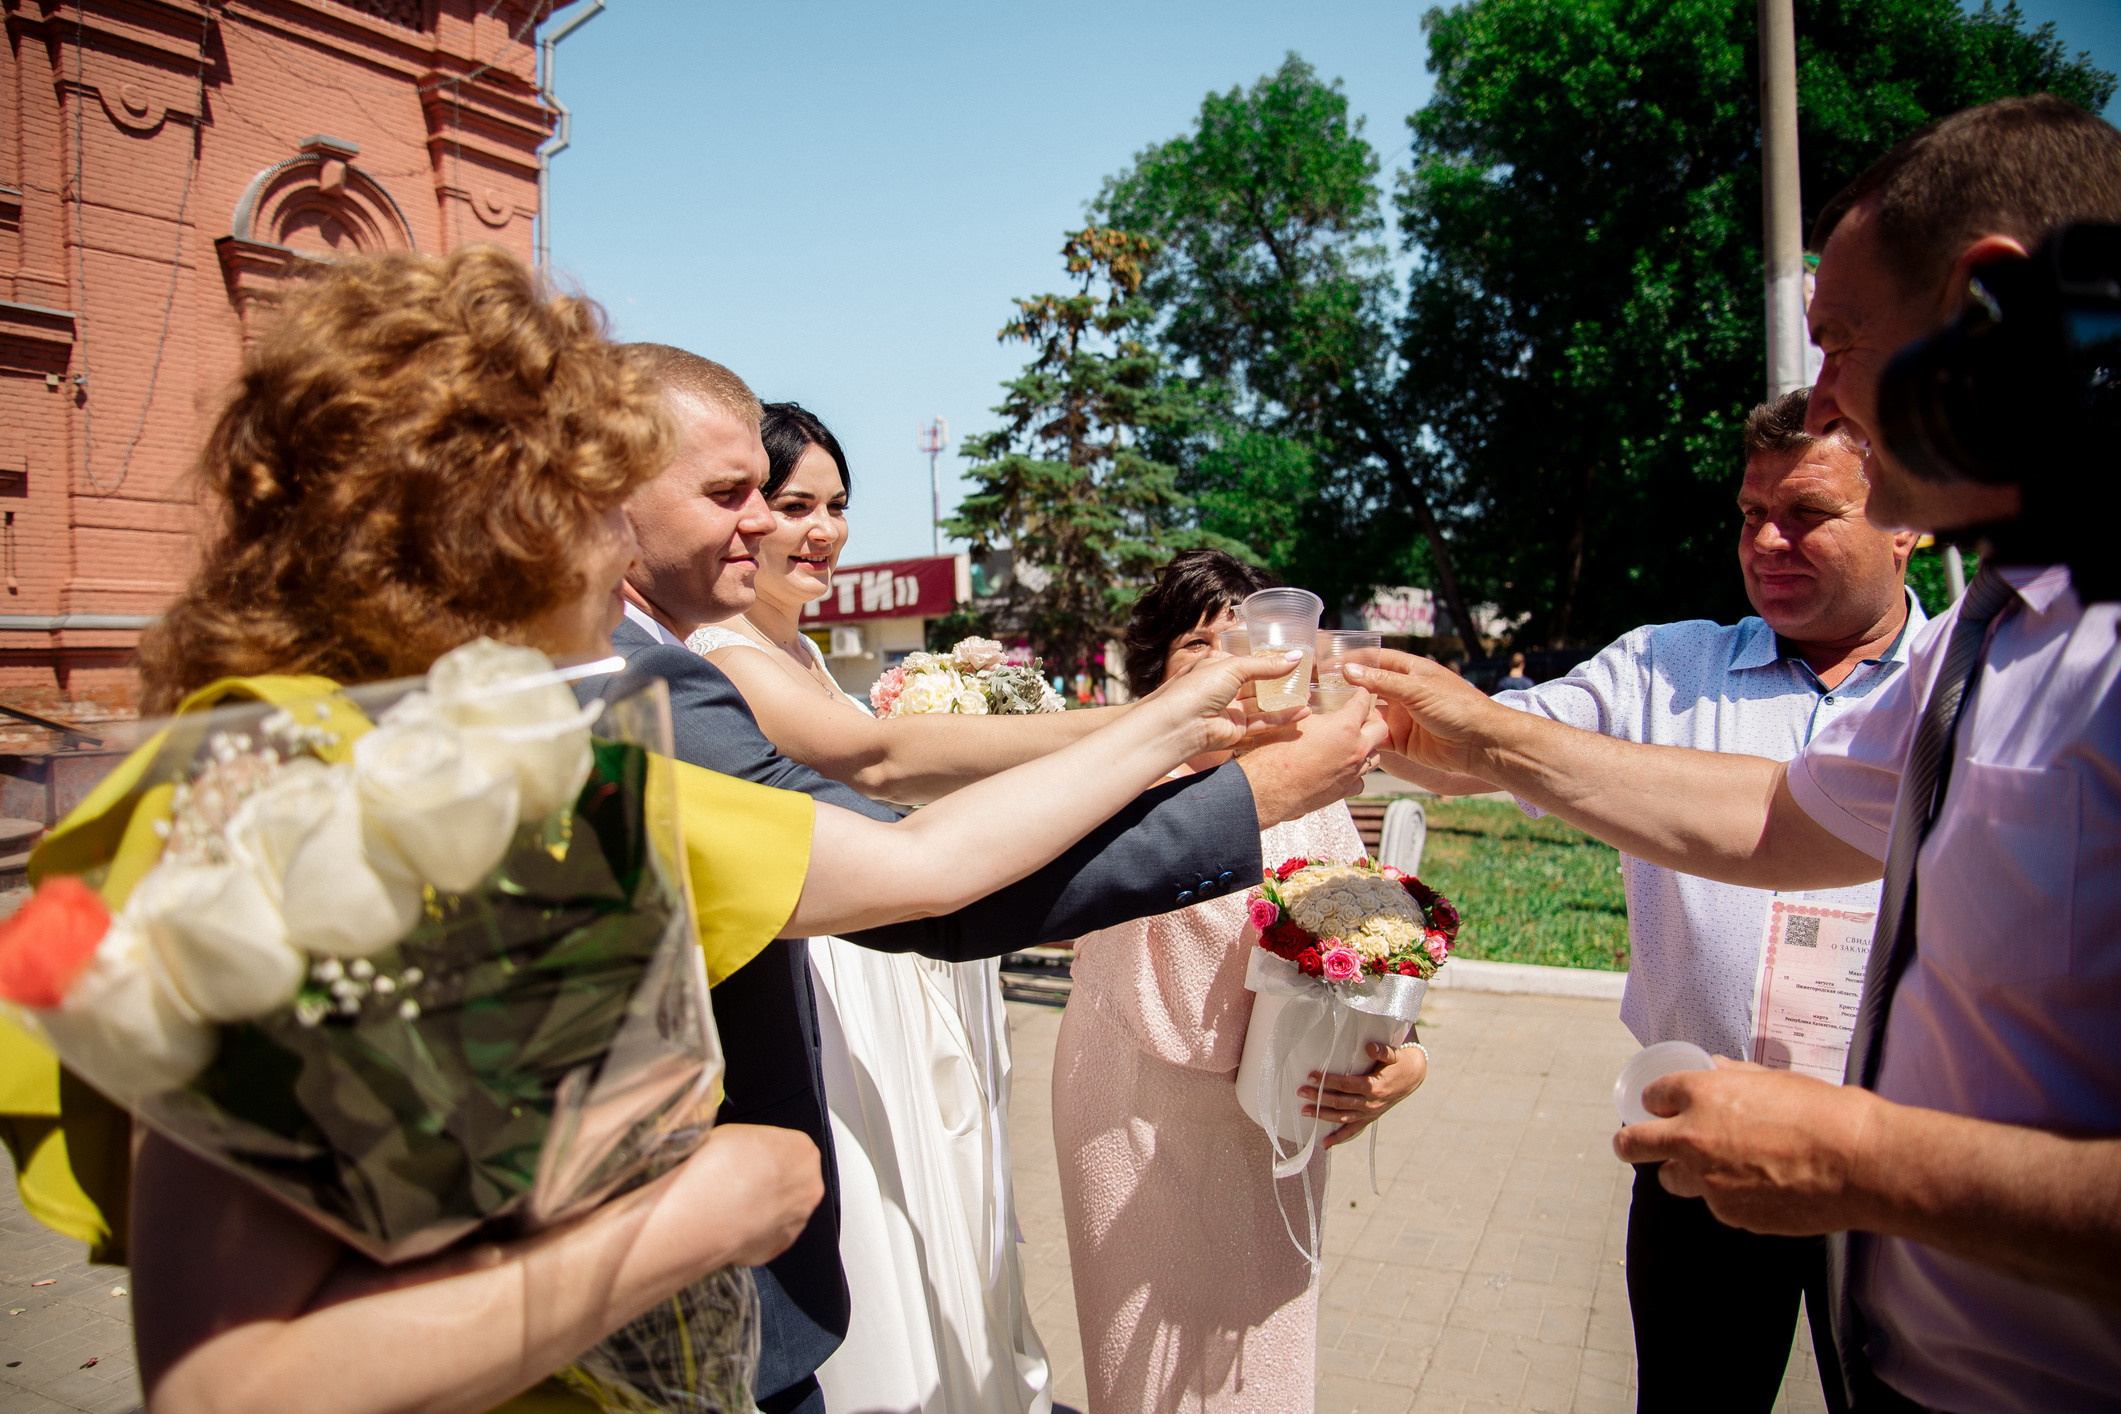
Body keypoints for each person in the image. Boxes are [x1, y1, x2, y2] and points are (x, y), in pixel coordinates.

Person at [15, 247, 1332, 1414]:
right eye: (598, 504)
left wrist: (1194, 714)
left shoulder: (493, 761)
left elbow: (922, 866)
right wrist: (690, 1216)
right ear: (507, 528)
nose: (620, 553)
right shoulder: (293, 815)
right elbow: (227, 1380)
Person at [1344, 96, 2121, 1412]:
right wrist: (1480, 732)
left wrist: (1872, 1157)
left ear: (1990, 308)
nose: (1822, 394)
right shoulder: (2004, 624)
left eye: (1842, 343)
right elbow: (1773, 817)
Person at [593, 343, 1389, 1414]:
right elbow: (919, 864)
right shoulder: (641, 687)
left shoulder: (661, 664)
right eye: (735, 494)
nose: (775, 525)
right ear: (597, 493)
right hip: (695, 1244)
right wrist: (1235, 772)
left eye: (796, 498)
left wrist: (1192, 725)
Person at [1399, 387, 1922, 1412]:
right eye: (1748, 512)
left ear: (1907, 520)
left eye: (1807, 513)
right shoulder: (1663, 668)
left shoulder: (1960, 685)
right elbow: (1483, 750)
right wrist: (1356, 696)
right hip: (1706, 1145)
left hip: (1908, 1165)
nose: (1766, 539)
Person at [683, 401, 1065, 1411]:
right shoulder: (725, 661)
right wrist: (1152, 728)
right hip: (834, 981)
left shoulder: (808, 656)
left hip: (897, 966)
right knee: (880, 1211)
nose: (822, 530)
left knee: (943, 1199)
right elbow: (877, 758)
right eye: (792, 501)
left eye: (838, 505)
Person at [1053, 549, 1430, 1414]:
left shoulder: (1314, 783)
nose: (1232, 663)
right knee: (1144, 1363)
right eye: (1197, 643)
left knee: (1260, 1360)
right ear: (1154, 671)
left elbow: (1371, 949)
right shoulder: (1117, 783)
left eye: (1249, 638)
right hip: (1134, 1107)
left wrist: (1401, 1059)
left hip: (1275, 1119)